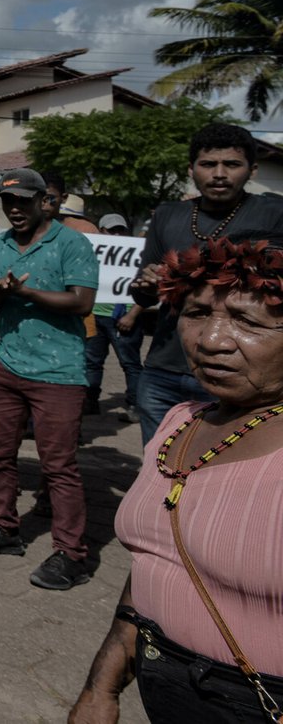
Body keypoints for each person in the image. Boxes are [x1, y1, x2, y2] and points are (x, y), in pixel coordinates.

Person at [69, 238, 283, 724]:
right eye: (195, 313)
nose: (211, 340)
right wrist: (101, 686)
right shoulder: (180, 422)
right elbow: (155, 559)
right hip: (161, 678)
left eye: (248, 322)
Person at [0, 168, 98, 590]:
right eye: (8, 203)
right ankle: (5, 529)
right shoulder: (1, 246)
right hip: (5, 365)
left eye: (23, 202)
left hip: (59, 373)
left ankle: (71, 553)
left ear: (44, 201)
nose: (14, 210)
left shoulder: (71, 243)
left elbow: (82, 303)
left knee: (59, 467)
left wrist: (24, 294)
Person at [130, 124, 283, 443]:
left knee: (223, 470)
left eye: (232, 164)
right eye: (208, 164)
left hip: (237, 371)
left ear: (251, 170)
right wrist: (146, 285)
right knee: (159, 466)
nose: (219, 174)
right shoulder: (167, 215)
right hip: (163, 368)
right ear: (191, 169)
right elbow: (143, 297)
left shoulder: (274, 213)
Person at [86, 213, 146, 424]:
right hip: (96, 315)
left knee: (130, 364)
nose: (117, 233)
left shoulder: (137, 253)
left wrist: (132, 314)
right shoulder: (92, 251)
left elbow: (148, 290)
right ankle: (90, 401)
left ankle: (135, 405)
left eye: (120, 229)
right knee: (92, 362)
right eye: (112, 230)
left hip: (124, 317)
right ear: (101, 232)